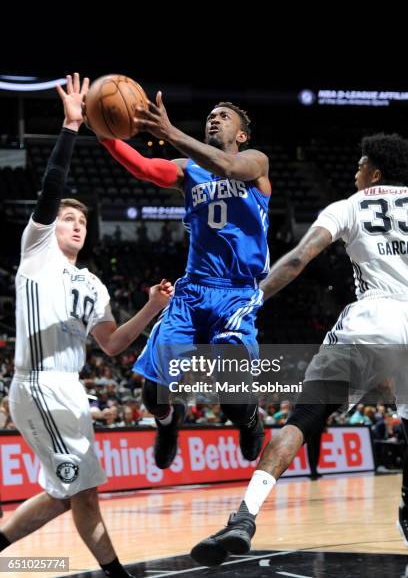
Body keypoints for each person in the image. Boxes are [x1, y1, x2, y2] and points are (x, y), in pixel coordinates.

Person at [190, 132, 408, 565]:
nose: (355, 172)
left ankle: (244, 518)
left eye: (361, 166)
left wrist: (251, 302)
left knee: (302, 419)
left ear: (375, 173)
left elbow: (296, 260)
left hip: (370, 320)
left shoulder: (348, 206)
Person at [0, 74, 173, 578]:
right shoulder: (36, 253)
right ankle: (117, 575)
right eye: (67, 219)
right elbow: (52, 191)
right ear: (48, 227)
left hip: (69, 392)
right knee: (83, 491)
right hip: (39, 384)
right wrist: (72, 127)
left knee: (61, 494)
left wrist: (150, 308)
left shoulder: (94, 285)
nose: (76, 223)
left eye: (83, 221)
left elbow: (114, 344)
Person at [99, 93, 271, 469]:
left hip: (237, 293)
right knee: (154, 395)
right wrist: (104, 133)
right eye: (210, 116)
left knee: (233, 402)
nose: (214, 119)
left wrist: (169, 130)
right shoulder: (187, 169)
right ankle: (167, 423)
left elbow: (227, 166)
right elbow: (144, 167)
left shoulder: (255, 162)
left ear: (241, 135)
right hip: (193, 290)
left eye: (223, 117)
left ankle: (251, 419)